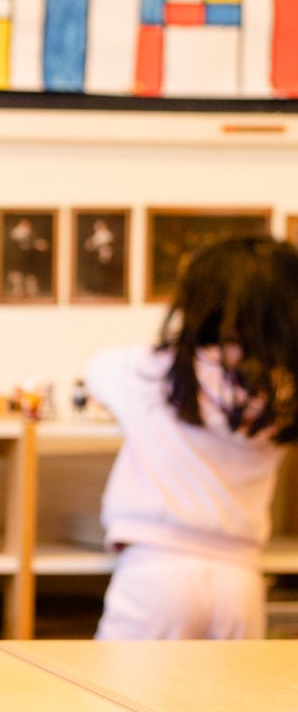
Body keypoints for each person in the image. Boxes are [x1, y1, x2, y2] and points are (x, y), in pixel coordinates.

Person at [87, 236, 298, 640]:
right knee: (226, 703)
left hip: (156, 572)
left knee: (115, 698)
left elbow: (98, 368)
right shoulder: (281, 391)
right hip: (242, 580)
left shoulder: (155, 372)